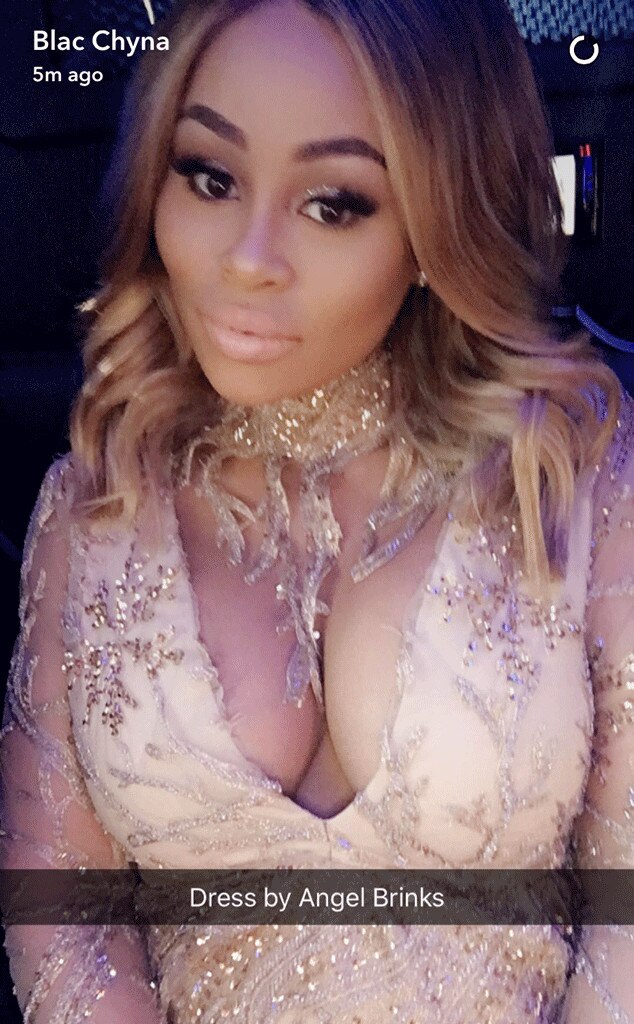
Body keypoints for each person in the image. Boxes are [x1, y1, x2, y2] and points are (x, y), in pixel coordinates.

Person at [1, 0, 632, 1020]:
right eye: (210, 176)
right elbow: (61, 914)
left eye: (334, 203)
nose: (248, 256)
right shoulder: (94, 503)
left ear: (436, 227)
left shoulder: (580, 474)